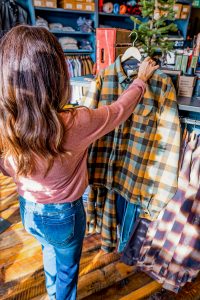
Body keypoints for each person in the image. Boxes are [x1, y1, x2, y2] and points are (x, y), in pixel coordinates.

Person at [0, 25, 158, 300]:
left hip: (29, 211)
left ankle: (52, 294)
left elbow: (6, 166)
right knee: (67, 269)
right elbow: (120, 109)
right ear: (57, 74)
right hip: (64, 216)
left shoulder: (7, 124)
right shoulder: (75, 122)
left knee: (47, 249)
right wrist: (141, 80)